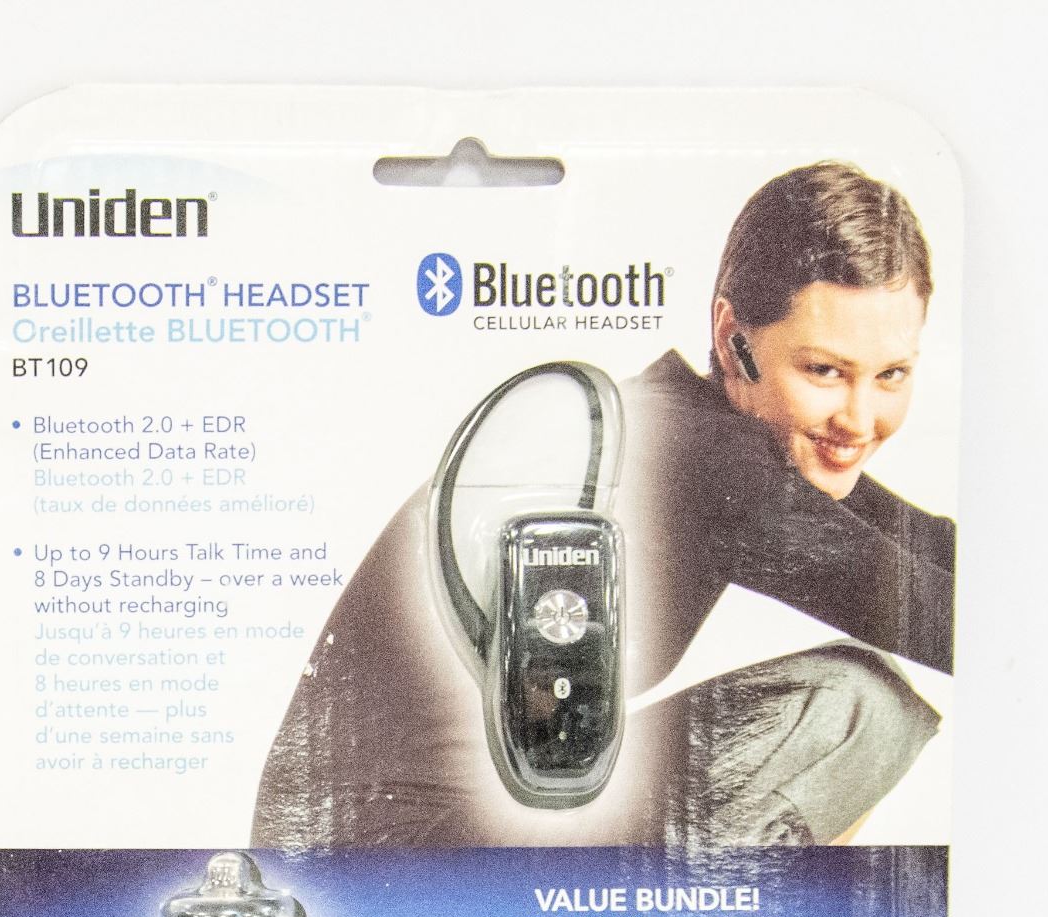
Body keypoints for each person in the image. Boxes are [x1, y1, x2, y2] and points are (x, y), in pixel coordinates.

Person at [252, 162, 952, 850]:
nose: (859, 419)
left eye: (891, 375)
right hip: (396, 867)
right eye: (824, 371)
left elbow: (932, 547)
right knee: (855, 710)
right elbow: (945, 621)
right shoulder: (705, 459)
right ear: (732, 339)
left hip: (368, 850)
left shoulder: (682, 427)